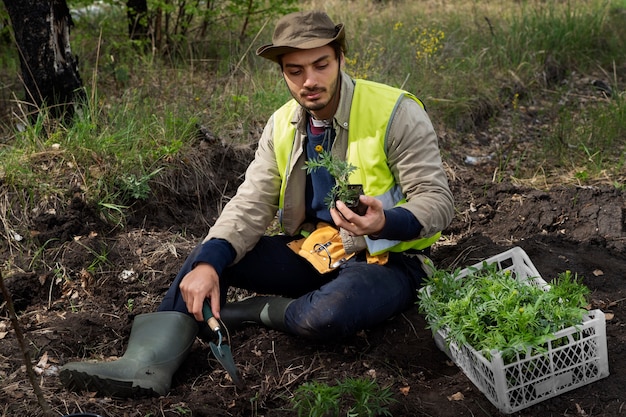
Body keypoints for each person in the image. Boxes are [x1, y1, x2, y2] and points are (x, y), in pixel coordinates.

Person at [59, 10, 454, 398]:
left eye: (321, 65)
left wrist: (384, 223)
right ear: (283, 72)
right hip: (314, 251)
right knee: (208, 257)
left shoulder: (395, 111)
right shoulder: (282, 123)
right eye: (295, 71)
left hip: (387, 261)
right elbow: (250, 203)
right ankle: (146, 364)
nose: (309, 81)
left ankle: (257, 310)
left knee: (325, 317)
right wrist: (210, 262)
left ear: (341, 59)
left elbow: (437, 200)